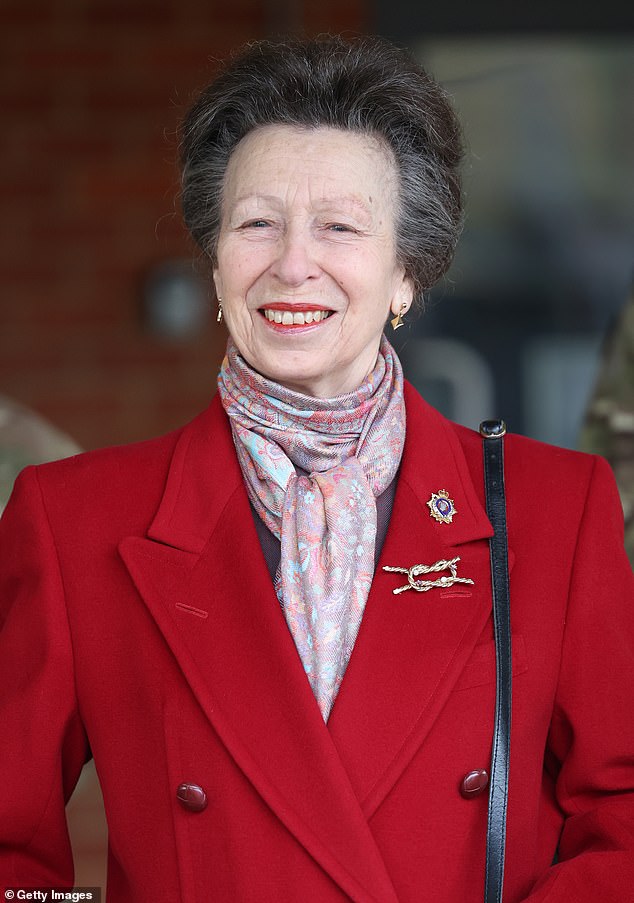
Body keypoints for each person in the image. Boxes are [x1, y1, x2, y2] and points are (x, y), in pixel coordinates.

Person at [1, 36, 633, 903]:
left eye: (339, 225)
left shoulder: (556, 509)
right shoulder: (73, 517)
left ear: (407, 271)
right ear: (216, 260)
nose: (293, 262)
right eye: (257, 222)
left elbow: (623, 818)